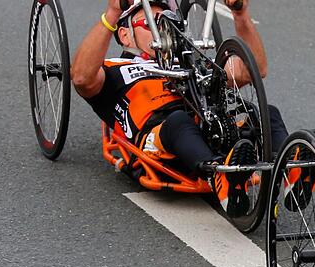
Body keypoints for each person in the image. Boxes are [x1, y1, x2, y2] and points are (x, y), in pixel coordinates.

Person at [70, 0, 286, 215]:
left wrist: (241, 15)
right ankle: (219, 176)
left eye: (166, 23)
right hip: (159, 136)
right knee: (178, 121)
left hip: (207, 127)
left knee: (265, 113)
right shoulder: (114, 69)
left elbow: (254, 70)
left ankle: (295, 166)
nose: (160, 30)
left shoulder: (190, 65)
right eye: (150, 23)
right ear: (125, 34)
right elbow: (81, 78)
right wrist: (112, 13)